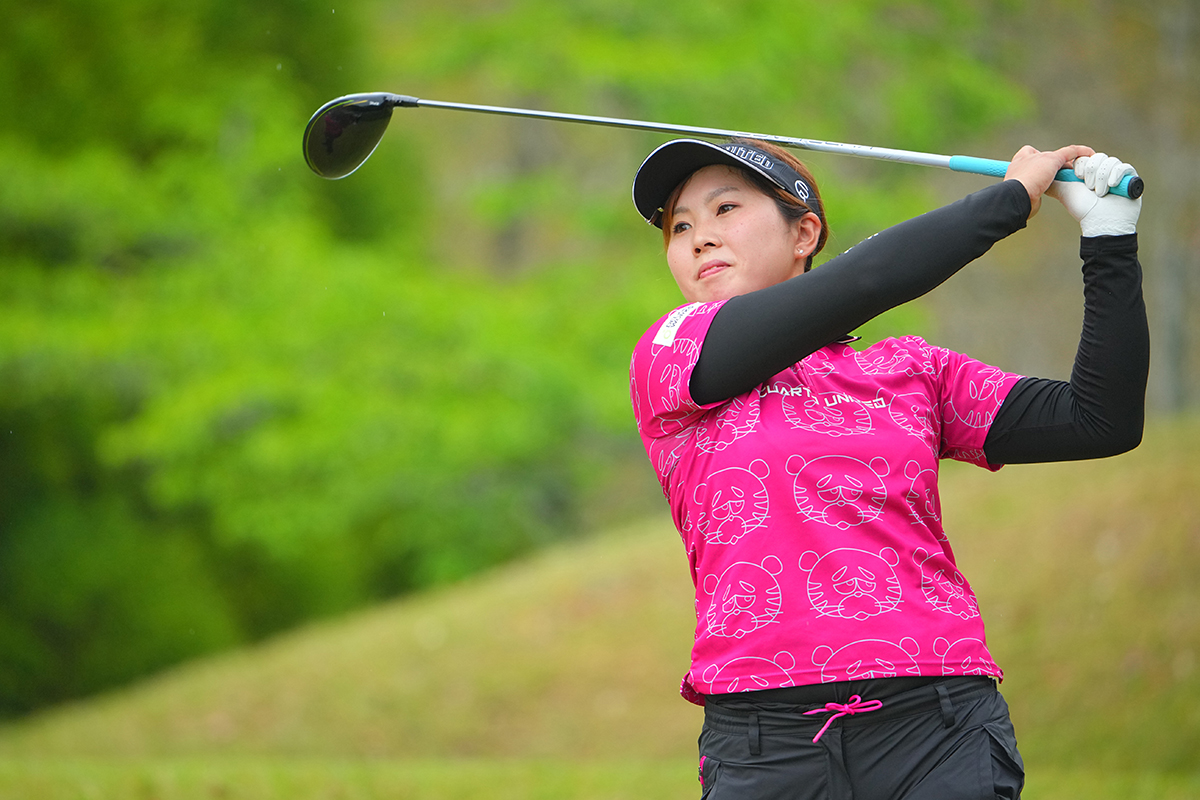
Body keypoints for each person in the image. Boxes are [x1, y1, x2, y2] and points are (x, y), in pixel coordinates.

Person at [627, 137, 1147, 800]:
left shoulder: (910, 371)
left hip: (935, 723)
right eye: (680, 226)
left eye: (725, 208)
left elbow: (1099, 418)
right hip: (765, 739)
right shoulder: (673, 355)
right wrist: (1010, 199)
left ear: (804, 232)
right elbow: (860, 284)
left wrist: (1108, 239)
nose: (700, 238)